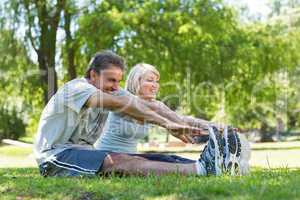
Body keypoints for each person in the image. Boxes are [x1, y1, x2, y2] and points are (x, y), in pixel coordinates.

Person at [33, 50, 239, 177]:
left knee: (156, 158)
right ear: (93, 75)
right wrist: (166, 125)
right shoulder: (76, 89)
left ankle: (213, 164)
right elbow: (117, 103)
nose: (116, 87)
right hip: (55, 157)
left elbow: (152, 106)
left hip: (87, 154)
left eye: (119, 81)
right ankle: (202, 170)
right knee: (119, 162)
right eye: (111, 80)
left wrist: (201, 126)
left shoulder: (111, 90)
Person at [94, 63, 249, 175]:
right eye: (149, 80)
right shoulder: (123, 99)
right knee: (163, 161)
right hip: (111, 159)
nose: (155, 85)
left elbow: (182, 119)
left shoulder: (155, 104)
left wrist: (214, 126)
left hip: (134, 156)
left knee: (171, 158)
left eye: (156, 81)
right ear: (136, 82)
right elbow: (170, 117)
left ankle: (221, 164)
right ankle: (210, 167)